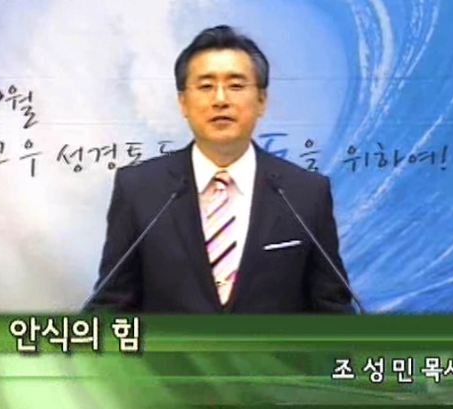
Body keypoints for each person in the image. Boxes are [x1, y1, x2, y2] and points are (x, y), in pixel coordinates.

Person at [87, 25, 354, 313]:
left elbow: (332, 313)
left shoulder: (306, 193)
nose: (220, 100)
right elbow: (110, 306)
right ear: (183, 102)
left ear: (262, 101)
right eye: (205, 86)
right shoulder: (139, 189)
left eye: (236, 86)